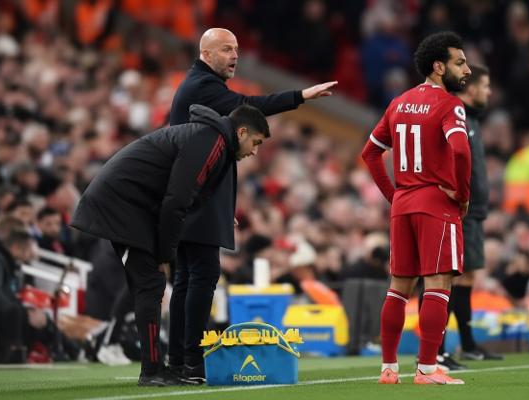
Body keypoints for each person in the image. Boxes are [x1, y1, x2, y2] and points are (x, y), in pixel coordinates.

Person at [167, 27, 337, 383]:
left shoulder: (202, 85)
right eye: (226, 49)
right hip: (194, 198)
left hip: (192, 197)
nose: (235, 55)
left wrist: (222, 207)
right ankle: (191, 361)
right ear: (206, 54)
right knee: (201, 276)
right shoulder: (203, 86)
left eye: (236, 49)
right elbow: (250, 108)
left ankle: (179, 359)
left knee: (187, 278)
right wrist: (301, 95)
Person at [70, 104, 270, 386]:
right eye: (256, 142)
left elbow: (184, 194)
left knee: (150, 284)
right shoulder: (211, 140)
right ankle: (151, 370)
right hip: (122, 204)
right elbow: (177, 199)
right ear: (241, 132)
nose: (255, 151)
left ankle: (156, 367)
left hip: (131, 204)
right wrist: (166, 252)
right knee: (150, 284)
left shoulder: (210, 138)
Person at [361, 31, 471, 385]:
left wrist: (393, 196)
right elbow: (460, 150)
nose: (467, 70)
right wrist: (462, 194)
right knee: (438, 285)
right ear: (439, 67)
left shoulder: (399, 102)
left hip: (404, 204)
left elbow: (370, 153)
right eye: (460, 62)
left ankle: (388, 369)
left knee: (398, 288)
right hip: (437, 203)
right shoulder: (450, 105)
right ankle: (426, 369)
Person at [440, 65, 503, 364]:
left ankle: (467, 344)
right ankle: (436, 349)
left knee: (466, 278)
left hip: (474, 212)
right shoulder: (454, 115)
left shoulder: (472, 119)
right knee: (445, 278)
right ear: (473, 87)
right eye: (486, 86)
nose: (489, 92)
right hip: (458, 210)